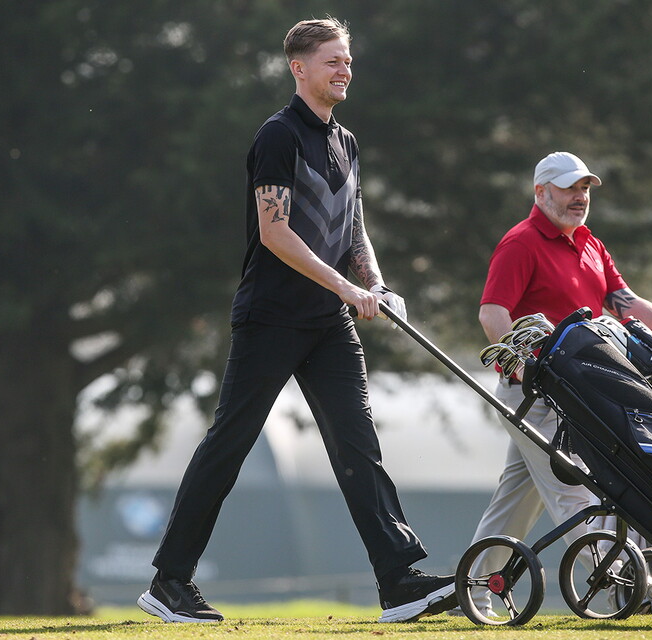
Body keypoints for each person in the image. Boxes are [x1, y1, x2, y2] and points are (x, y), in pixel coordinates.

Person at [137, 17, 455, 624]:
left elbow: (353, 228)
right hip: (271, 318)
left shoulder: (347, 142)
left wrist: (375, 284)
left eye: (347, 60)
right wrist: (345, 288)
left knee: (358, 444)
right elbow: (275, 232)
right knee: (230, 444)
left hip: (328, 324)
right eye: (333, 61)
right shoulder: (278, 136)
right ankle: (169, 582)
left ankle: (399, 581)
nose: (345, 70)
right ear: (299, 68)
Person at [465, 151, 652, 613]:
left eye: (585, 188)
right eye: (570, 188)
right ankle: (622, 588)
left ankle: (472, 593)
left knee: (517, 497)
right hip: (534, 393)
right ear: (541, 192)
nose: (580, 197)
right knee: (575, 486)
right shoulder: (521, 242)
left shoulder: (590, 242)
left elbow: (621, 300)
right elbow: (492, 313)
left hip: (576, 391)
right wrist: (524, 367)